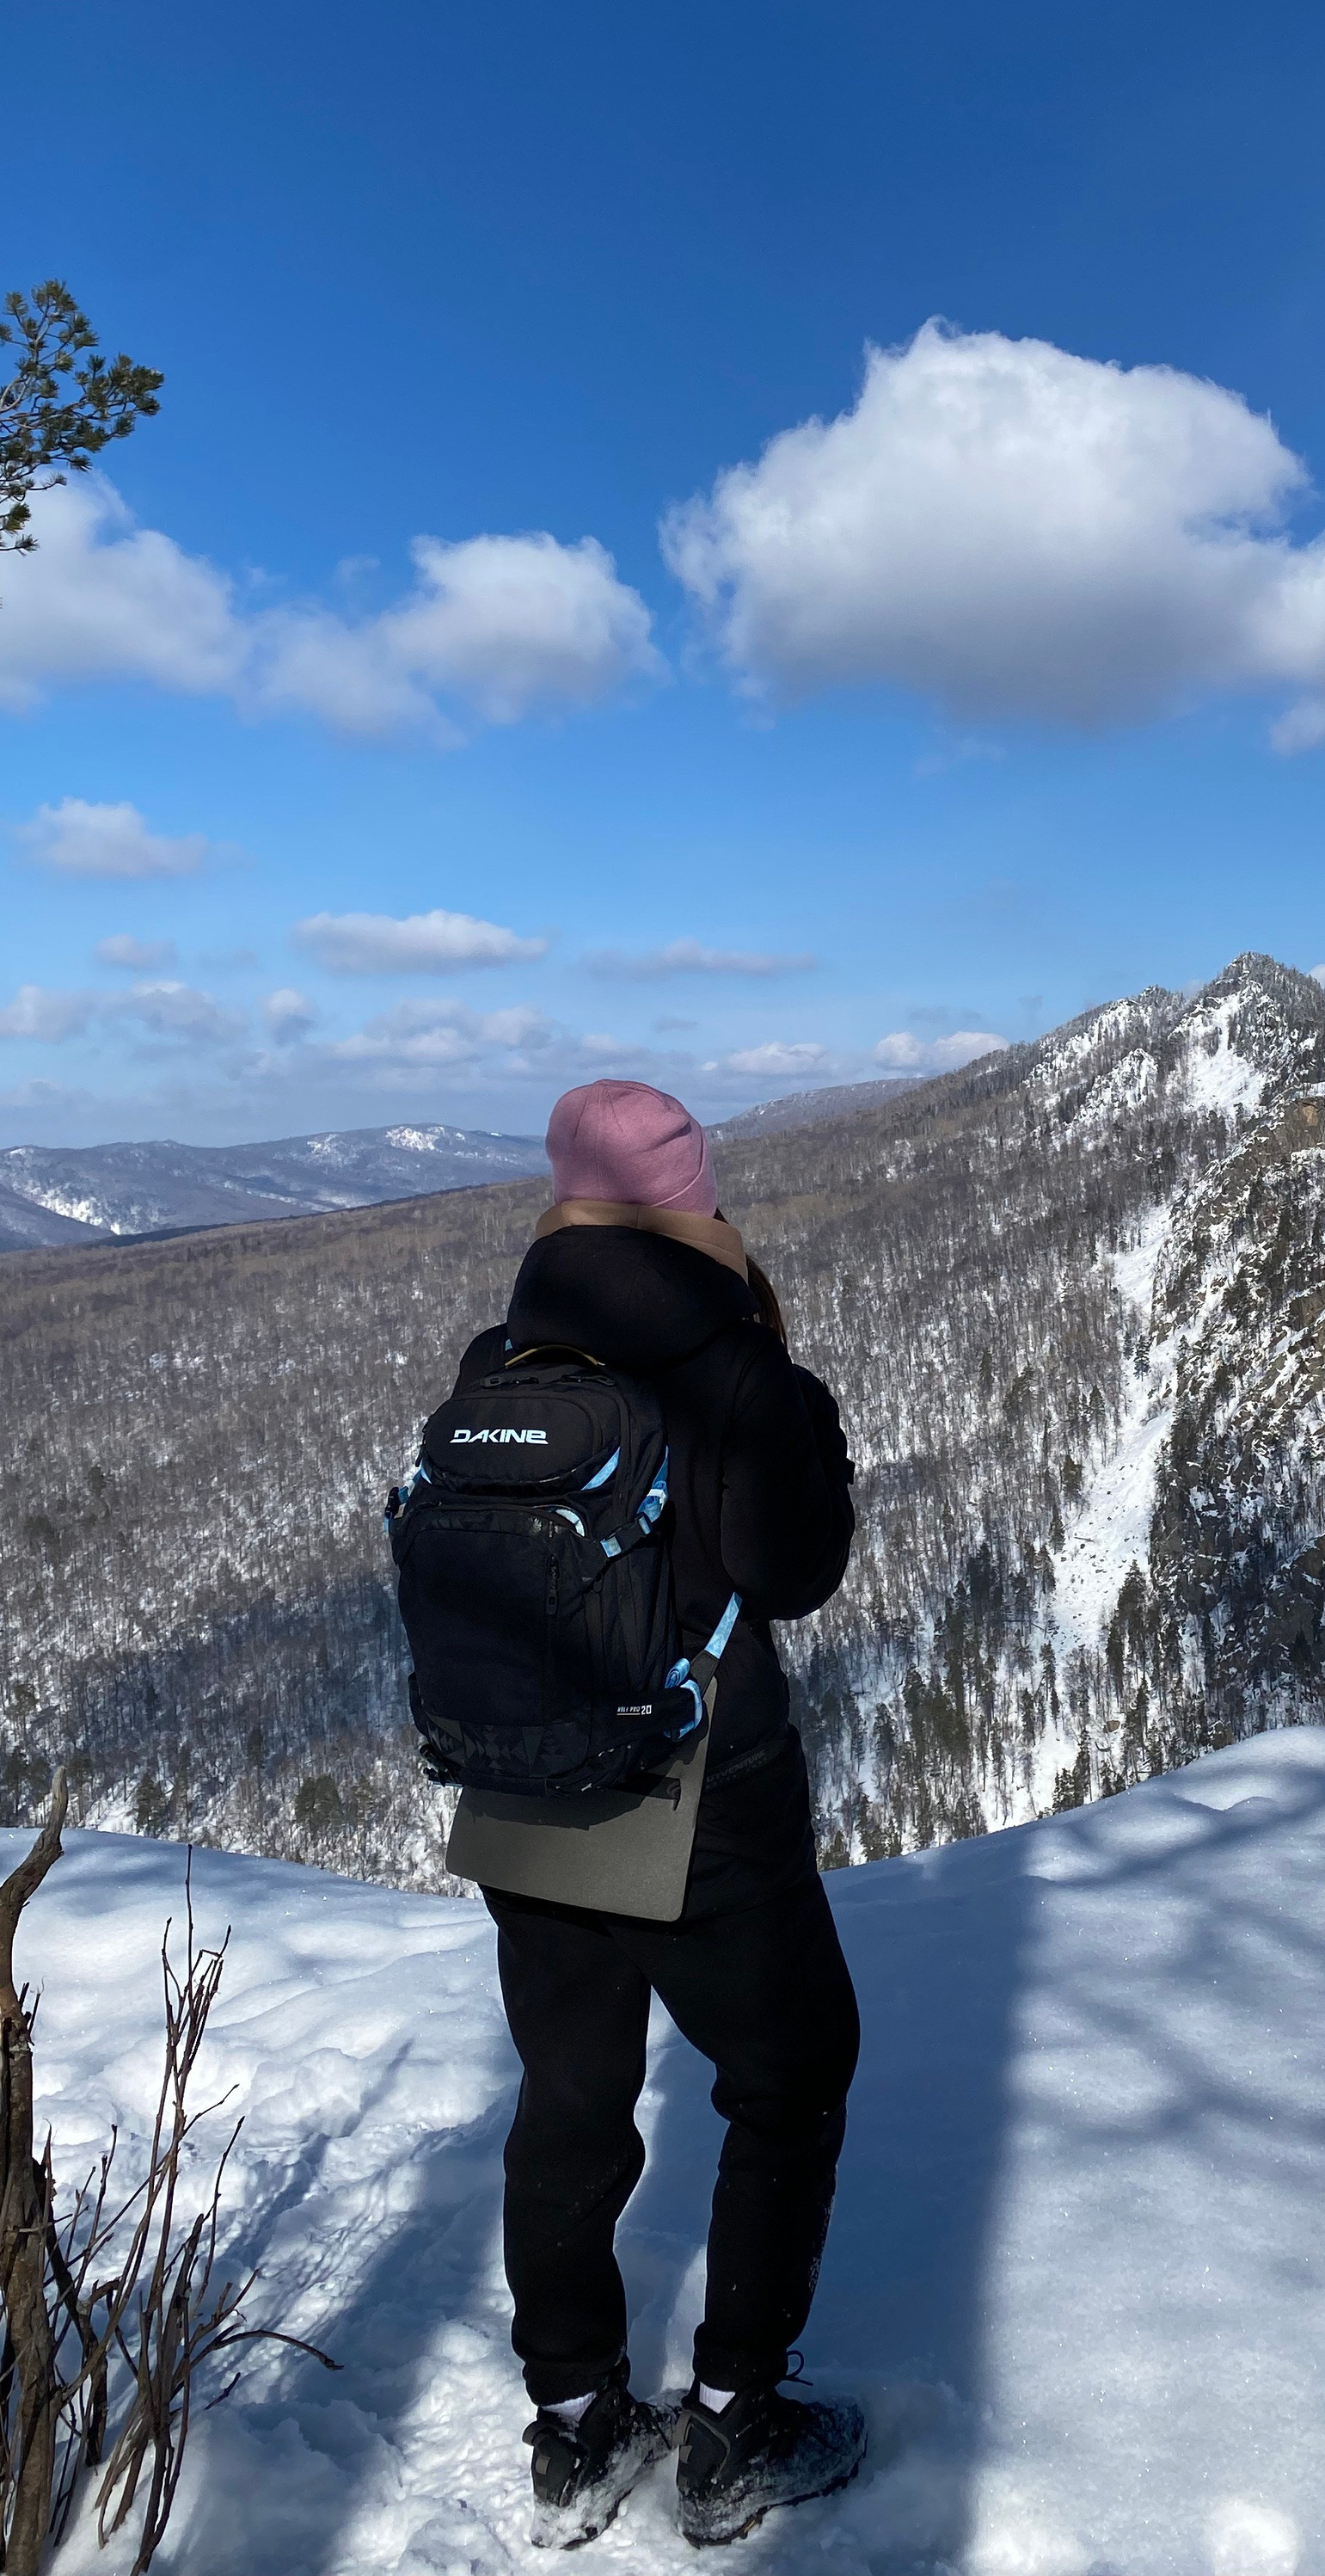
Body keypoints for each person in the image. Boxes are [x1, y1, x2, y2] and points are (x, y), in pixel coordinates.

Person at [453, 1079, 864, 2549]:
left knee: (568, 2100)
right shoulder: (738, 1370)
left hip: (523, 1800)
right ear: (693, 1196)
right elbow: (799, 1568)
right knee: (793, 2068)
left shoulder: (501, 1356)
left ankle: (575, 2421)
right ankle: (738, 2416)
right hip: (706, 1803)